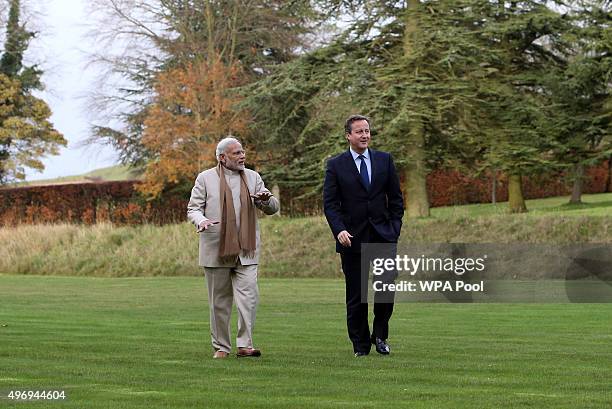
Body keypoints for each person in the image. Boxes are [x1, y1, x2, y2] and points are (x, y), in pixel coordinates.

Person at [187, 137, 279, 359]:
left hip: (247, 251)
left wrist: (265, 201)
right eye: (236, 153)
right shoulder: (205, 178)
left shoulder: (253, 177)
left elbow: (273, 207)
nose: (242, 156)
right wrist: (201, 221)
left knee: (249, 299)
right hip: (215, 249)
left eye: (243, 152)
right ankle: (221, 347)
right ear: (222, 158)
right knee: (219, 302)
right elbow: (193, 209)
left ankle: (245, 345)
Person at [323, 115, 404, 357]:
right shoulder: (336, 165)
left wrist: (394, 229)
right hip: (352, 240)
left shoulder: (384, 160)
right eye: (359, 131)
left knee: (385, 290)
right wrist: (339, 230)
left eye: (367, 131)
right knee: (357, 296)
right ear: (348, 135)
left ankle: (380, 335)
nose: (365, 135)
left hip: (383, 237)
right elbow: (330, 204)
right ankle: (360, 345)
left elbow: (397, 200)